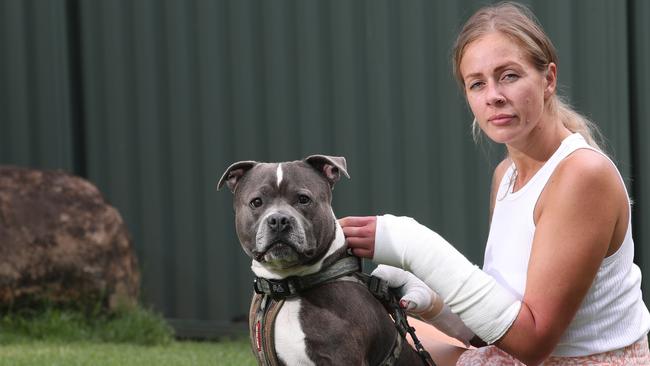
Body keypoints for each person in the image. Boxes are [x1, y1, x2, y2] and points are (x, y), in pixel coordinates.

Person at [339, 2, 650, 365]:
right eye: (477, 84)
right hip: (515, 356)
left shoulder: (581, 175)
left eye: (509, 76)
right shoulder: (506, 176)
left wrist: (413, 245)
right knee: (375, 334)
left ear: (548, 79)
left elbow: (533, 342)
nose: (493, 96)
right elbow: (504, 320)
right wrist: (433, 303)